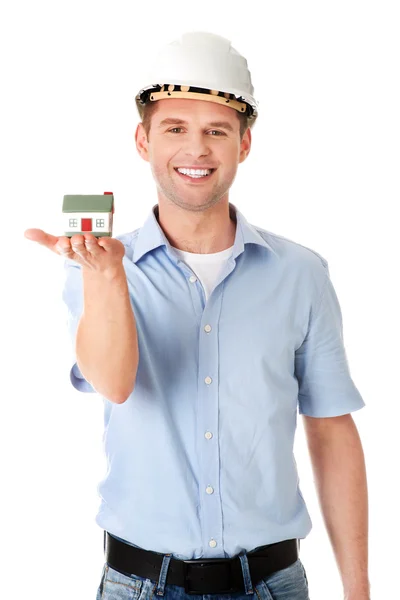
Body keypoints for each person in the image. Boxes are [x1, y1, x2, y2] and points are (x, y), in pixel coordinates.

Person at [24, 31, 370, 600]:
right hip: (139, 585)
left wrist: (358, 589)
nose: (197, 150)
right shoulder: (96, 267)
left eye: (216, 131)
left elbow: (332, 430)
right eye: (175, 129)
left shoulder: (301, 274)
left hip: (273, 584)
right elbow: (114, 383)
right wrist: (108, 277)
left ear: (244, 143)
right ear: (143, 139)